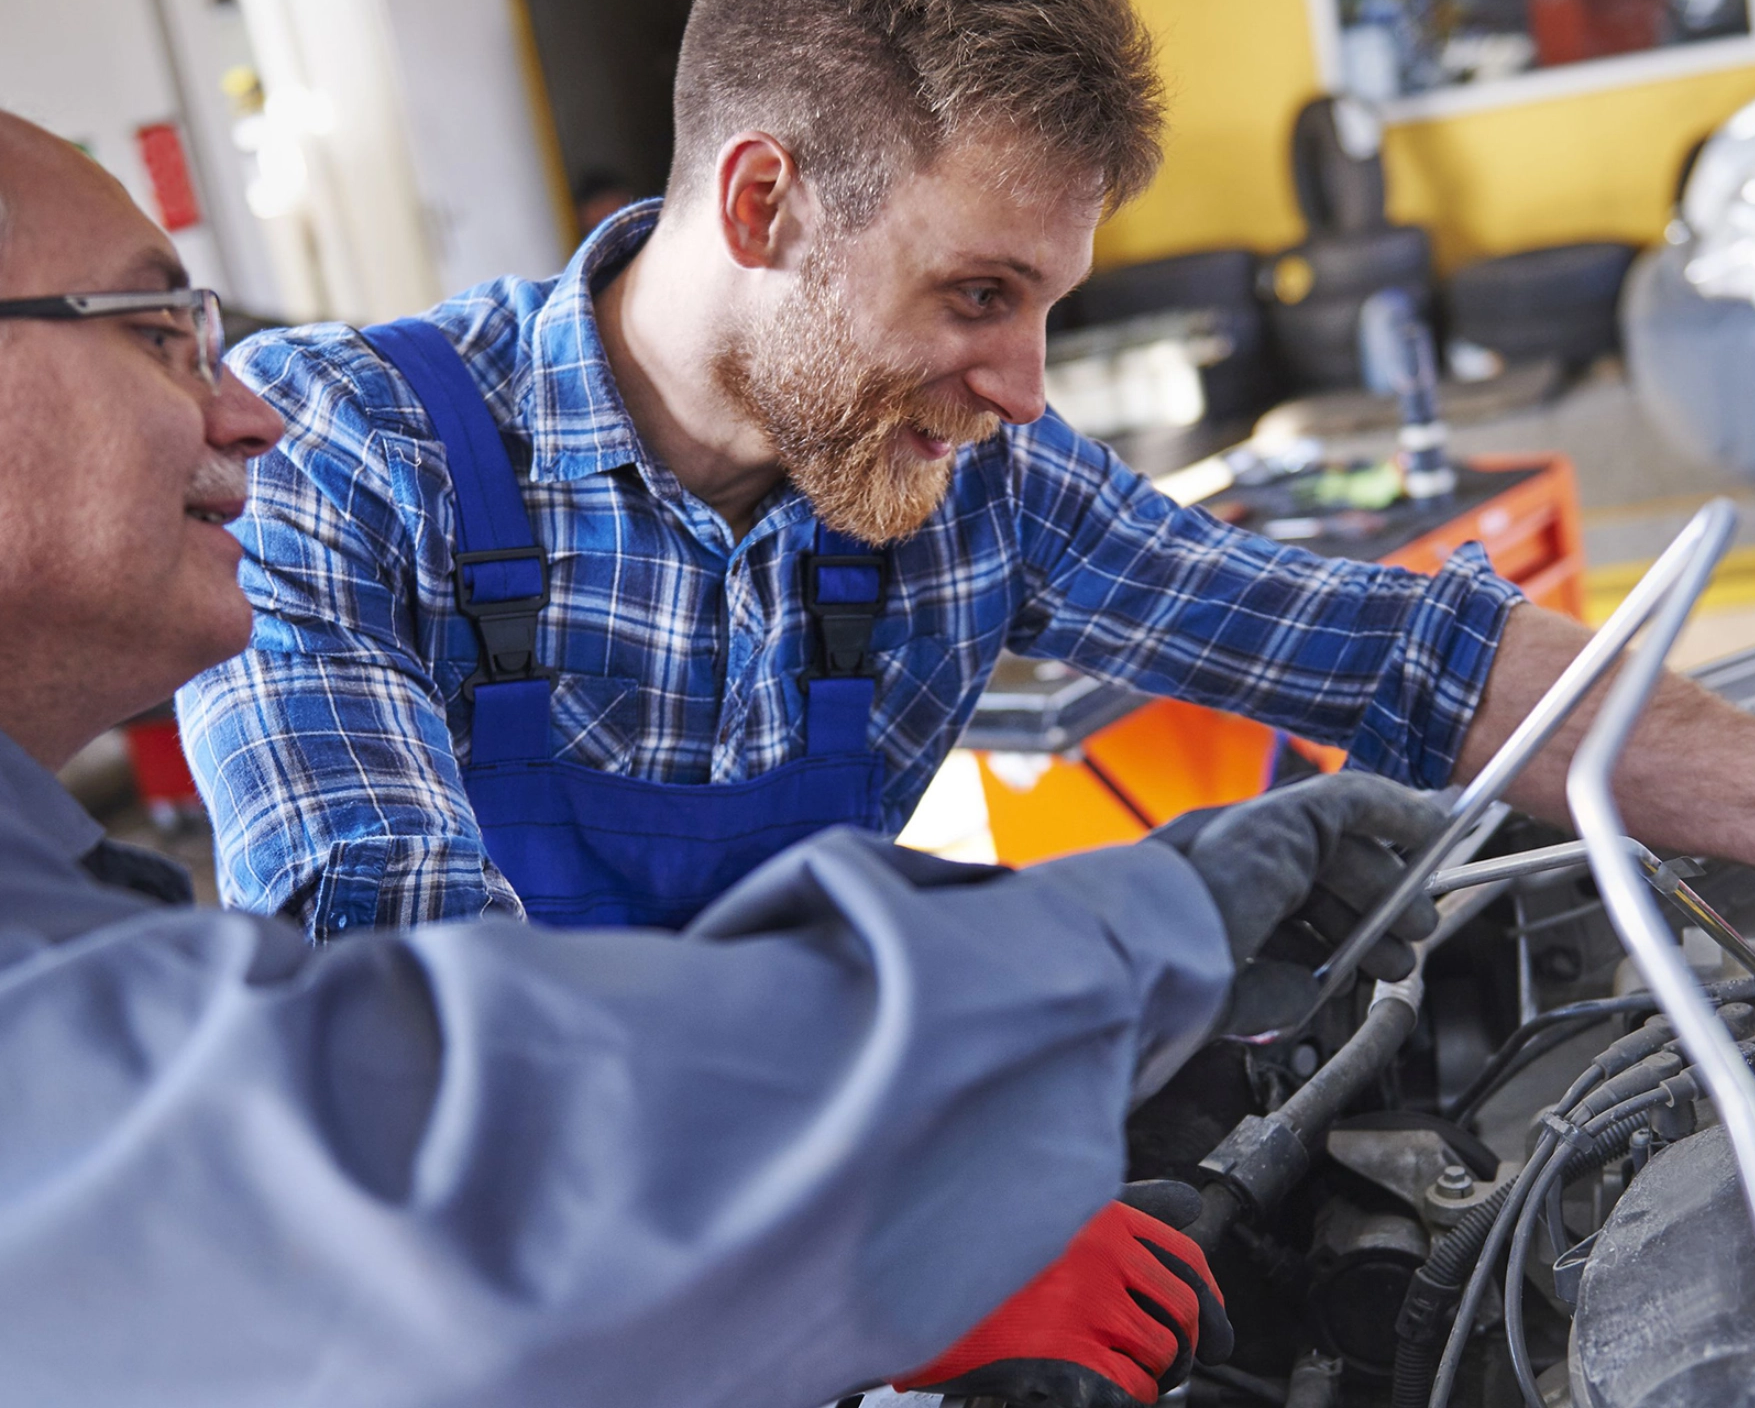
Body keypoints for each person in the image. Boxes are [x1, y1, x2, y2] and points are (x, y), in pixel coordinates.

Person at [0, 107, 1465, 1408]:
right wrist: (910, 1240)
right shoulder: (359, 452)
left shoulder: (940, 481)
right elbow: (432, 1157)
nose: (238, 410)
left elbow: (1397, 651)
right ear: (762, 206)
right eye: (155, 335)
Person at [181, 0, 1755, 959]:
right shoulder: (330, 467)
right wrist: (863, 1262)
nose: (1027, 387)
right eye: (976, 295)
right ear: (761, 204)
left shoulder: (978, 482)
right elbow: (406, 1018)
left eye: (1052, 306)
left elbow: (1414, 662)